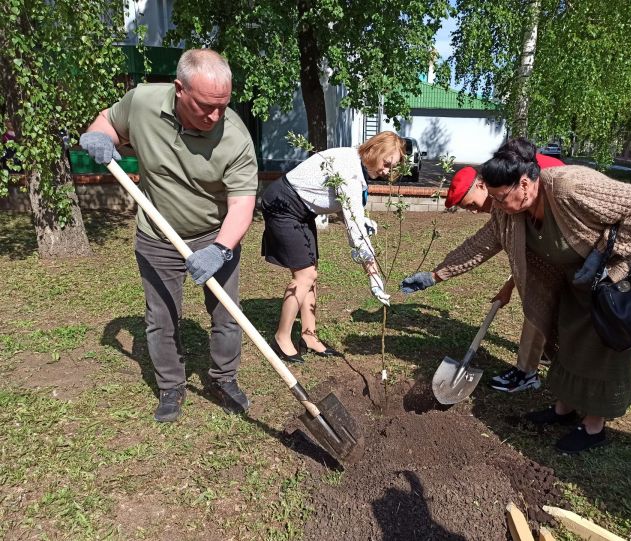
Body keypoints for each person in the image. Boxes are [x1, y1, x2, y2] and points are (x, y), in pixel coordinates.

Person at [402, 138, 631, 453]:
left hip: (621, 271)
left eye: (501, 198)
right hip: (581, 275)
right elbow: (480, 245)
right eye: (492, 198)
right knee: (568, 332)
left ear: (524, 184)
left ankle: (593, 427)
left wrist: (604, 254)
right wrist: (435, 275)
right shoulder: (509, 211)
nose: (496, 207)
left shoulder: (569, 187)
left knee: (602, 341)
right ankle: (564, 409)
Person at [80, 49, 258, 423]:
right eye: (206, 106)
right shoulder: (143, 102)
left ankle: (224, 380)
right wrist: (99, 136)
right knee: (161, 318)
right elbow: (107, 123)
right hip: (158, 236)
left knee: (227, 315)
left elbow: (242, 205)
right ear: (179, 89)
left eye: (223, 106)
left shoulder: (236, 137)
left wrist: (220, 250)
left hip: (214, 234)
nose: (215, 116)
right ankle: (171, 386)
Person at [425, 150, 565, 393]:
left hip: (565, 242)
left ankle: (527, 372)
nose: (473, 211)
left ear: (481, 185)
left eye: (471, 204)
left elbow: (534, 251)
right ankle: (542, 354)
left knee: (540, 299)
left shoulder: (526, 188)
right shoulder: (504, 205)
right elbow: (482, 246)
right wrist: (435, 275)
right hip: (547, 250)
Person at [261, 131, 402, 363]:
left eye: (392, 167)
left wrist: (362, 221)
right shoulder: (350, 172)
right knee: (305, 275)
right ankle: (282, 337)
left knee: (311, 274)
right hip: (283, 205)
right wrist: (374, 276)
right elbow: (355, 231)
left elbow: (348, 213)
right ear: (373, 151)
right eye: (387, 164)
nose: (387, 172)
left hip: (303, 210)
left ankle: (309, 336)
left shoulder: (355, 164)